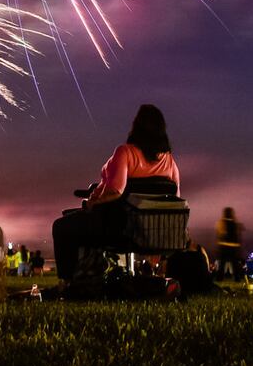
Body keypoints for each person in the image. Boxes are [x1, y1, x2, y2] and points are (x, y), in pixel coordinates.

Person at [50, 104, 181, 284]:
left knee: (62, 226)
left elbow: (116, 191)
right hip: (153, 230)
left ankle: (68, 280)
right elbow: (176, 198)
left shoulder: (125, 152)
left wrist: (91, 203)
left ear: (136, 126)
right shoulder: (169, 161)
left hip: (119, 228)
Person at [216, 208, 244, 280]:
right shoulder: (235, 223)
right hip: (234, 246)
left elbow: (220, 234)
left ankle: (220, 278)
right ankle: (237, 278)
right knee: (234, 263)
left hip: (224, 245)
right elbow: (238, 235)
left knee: (222, 263)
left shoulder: (222, 222)